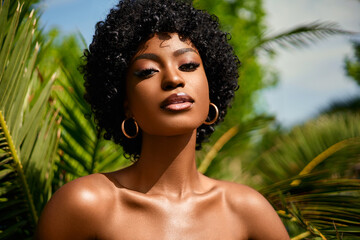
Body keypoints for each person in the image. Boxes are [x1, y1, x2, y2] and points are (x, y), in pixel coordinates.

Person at [36, 0, 290, 239]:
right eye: (147, 71)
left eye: (188, 65)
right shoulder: (84, 204)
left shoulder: (248, 211)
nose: (173, 79)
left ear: (211, 87)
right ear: (125, 104)